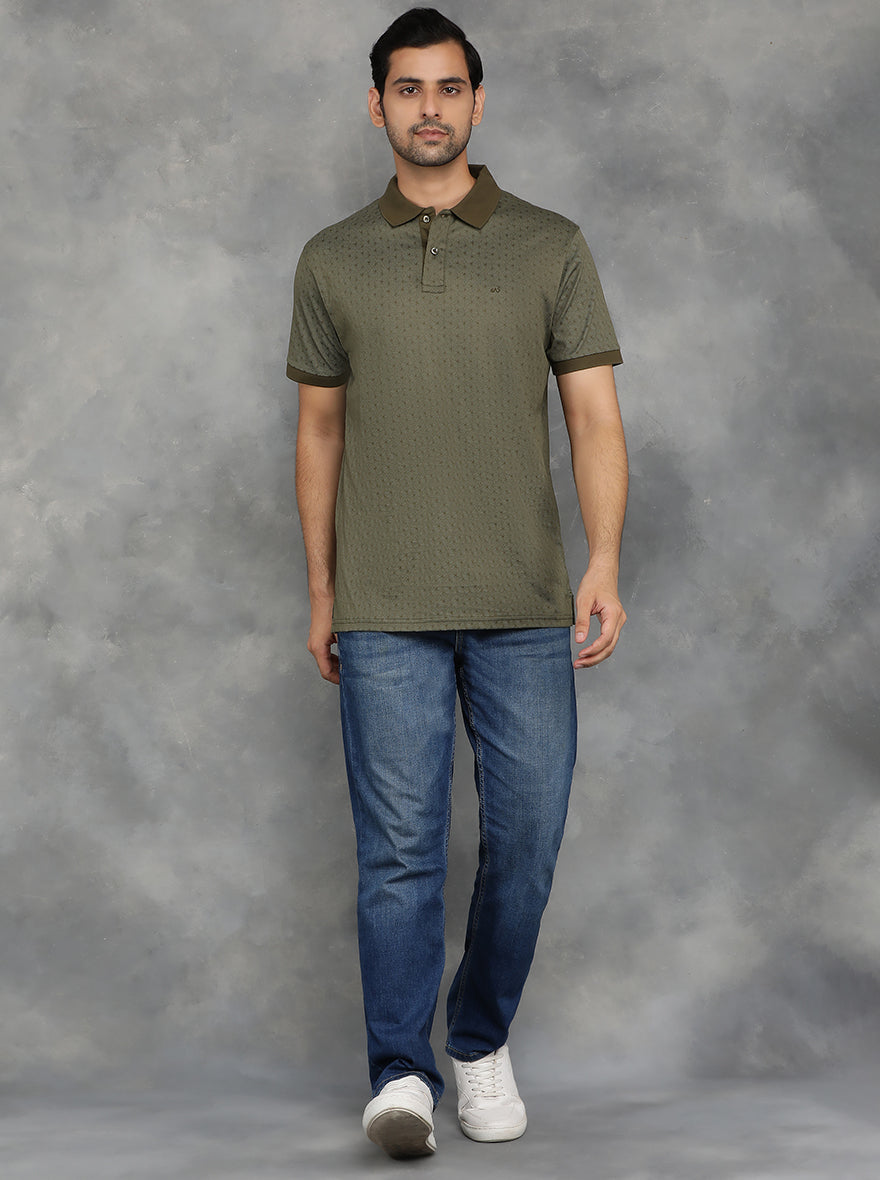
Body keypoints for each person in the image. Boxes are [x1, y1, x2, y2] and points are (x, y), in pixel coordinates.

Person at [287, 7, 627, 1161]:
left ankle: (477, 1038)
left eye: (447, 88)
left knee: (525, 843)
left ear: (477, 103)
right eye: (406, 88)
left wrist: (603, 559)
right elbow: (319, 432)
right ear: (375, 106)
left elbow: (592, 417)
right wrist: (323, 590)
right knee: (400, 853)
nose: (427, 108)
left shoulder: (550, 244)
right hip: (384, 608)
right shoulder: (332, 258)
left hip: (525, 602)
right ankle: (400, 1073)